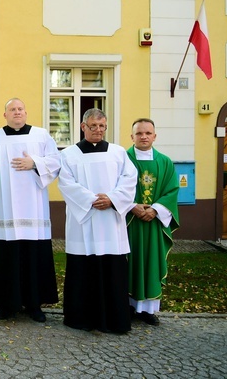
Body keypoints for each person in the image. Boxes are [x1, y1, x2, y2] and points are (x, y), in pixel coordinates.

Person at [57, 108, 137, 334]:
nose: (98, 130)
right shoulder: (69, 154)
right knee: (83, 269)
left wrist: (111, 199)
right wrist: (91, 200)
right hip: (83, 220)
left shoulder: (118, 153)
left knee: (112, 270)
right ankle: (80, 318)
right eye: (93, 126)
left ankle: (114, 319)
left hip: (110, 221)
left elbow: (130, 180)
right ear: (83, 127)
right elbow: (66, 183)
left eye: (102, 126)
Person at [0, 98, 60, 323]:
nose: (16, 113)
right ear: (4, 114)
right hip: (3, 208)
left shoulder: (41, 135)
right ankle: (4, 304)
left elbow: (56, 161)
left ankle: (34, 304)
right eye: (12, 109)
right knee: (6, 255)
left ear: (26, 113)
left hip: (34, 209)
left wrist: (35, 163)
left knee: (33, 254)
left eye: (20, 109)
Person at [127, 118, 180, 325]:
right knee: (129, 262)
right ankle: (127, 306)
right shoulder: (122, 158)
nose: (144, 137)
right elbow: (114, 187)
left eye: (148, 133)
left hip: (154, 224)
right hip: (129, 222)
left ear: (154, 136)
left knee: (151, 262)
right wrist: (132, 206)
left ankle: (147, 310)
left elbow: (172, 191)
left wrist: (156, 210)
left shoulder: (165, 162)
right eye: (139, 133)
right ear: (132, 136)